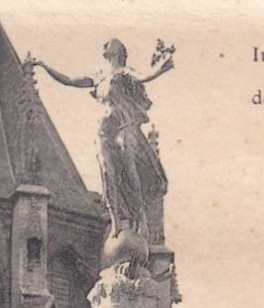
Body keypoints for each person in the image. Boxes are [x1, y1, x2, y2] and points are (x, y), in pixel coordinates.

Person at [33, 40, 173, 239]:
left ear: (119, 51)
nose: (105, 46)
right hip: (104, 128)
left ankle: (140, 218)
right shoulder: (99, 76)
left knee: (131, 169)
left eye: (110, 45)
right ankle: (116, 221)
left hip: (123, 124)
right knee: (108, 173)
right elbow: (69, 80)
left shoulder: (126, 73)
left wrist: (162, 68)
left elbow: (145, 77)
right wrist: (44, 66)